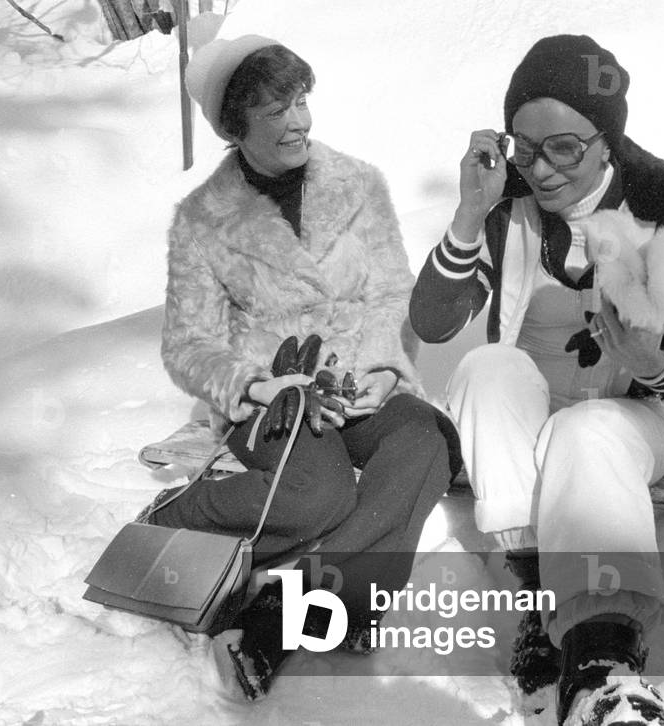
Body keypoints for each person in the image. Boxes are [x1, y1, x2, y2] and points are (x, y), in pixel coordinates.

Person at [410, 34, 664, 725]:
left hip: (625, 423)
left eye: (562, 149)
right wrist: (468, 213)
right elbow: (432, 323)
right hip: (522, 419)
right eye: (523, 147)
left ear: (606, 140)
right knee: (486, 366)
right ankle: (534, 592)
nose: (540, 170)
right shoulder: (505, 204)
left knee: (586, 431)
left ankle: (600, 664)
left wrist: (651, 365)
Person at [142, 35, 461, 700]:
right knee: (319, 496)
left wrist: (381, 365)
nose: (297, 122)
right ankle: (182, 512)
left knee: (423, 441)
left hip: (354, 385)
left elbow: (388, 292)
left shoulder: (358, 184)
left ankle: (294, 611)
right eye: (273, 111)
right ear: (234, 128)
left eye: (300, 101)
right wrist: (254, 386)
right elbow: (188, 345)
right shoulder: (202, 221)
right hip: (275, 395)